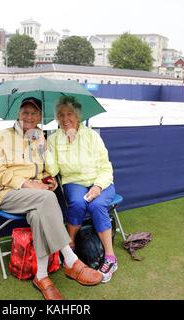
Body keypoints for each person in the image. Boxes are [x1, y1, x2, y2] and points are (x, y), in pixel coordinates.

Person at [0, 96, 103, 300]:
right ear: (18, 114)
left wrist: (49, 180)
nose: (29, 116)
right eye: (25, 112)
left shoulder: (39, 136)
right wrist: (27, 183)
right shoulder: (2, 136)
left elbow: (44, 170)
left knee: (39, 211)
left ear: (40, 116)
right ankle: (70, 259)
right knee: (47, 198)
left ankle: (41, 276)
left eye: (34, 113)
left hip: (35, 196)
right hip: (6, 192)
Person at [45, 96, 118, 283]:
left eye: (69, 114)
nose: (65, 118)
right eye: (61, 115)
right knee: (77, 202)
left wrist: (98, 186)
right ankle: (70, 246)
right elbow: (53, 170)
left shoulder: (92, 136)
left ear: (78, 116)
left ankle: (110, 257)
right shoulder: (53, 139)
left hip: (101, 181)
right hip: (74, 182)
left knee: (96, 205)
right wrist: (43, 148)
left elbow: (105, 166)